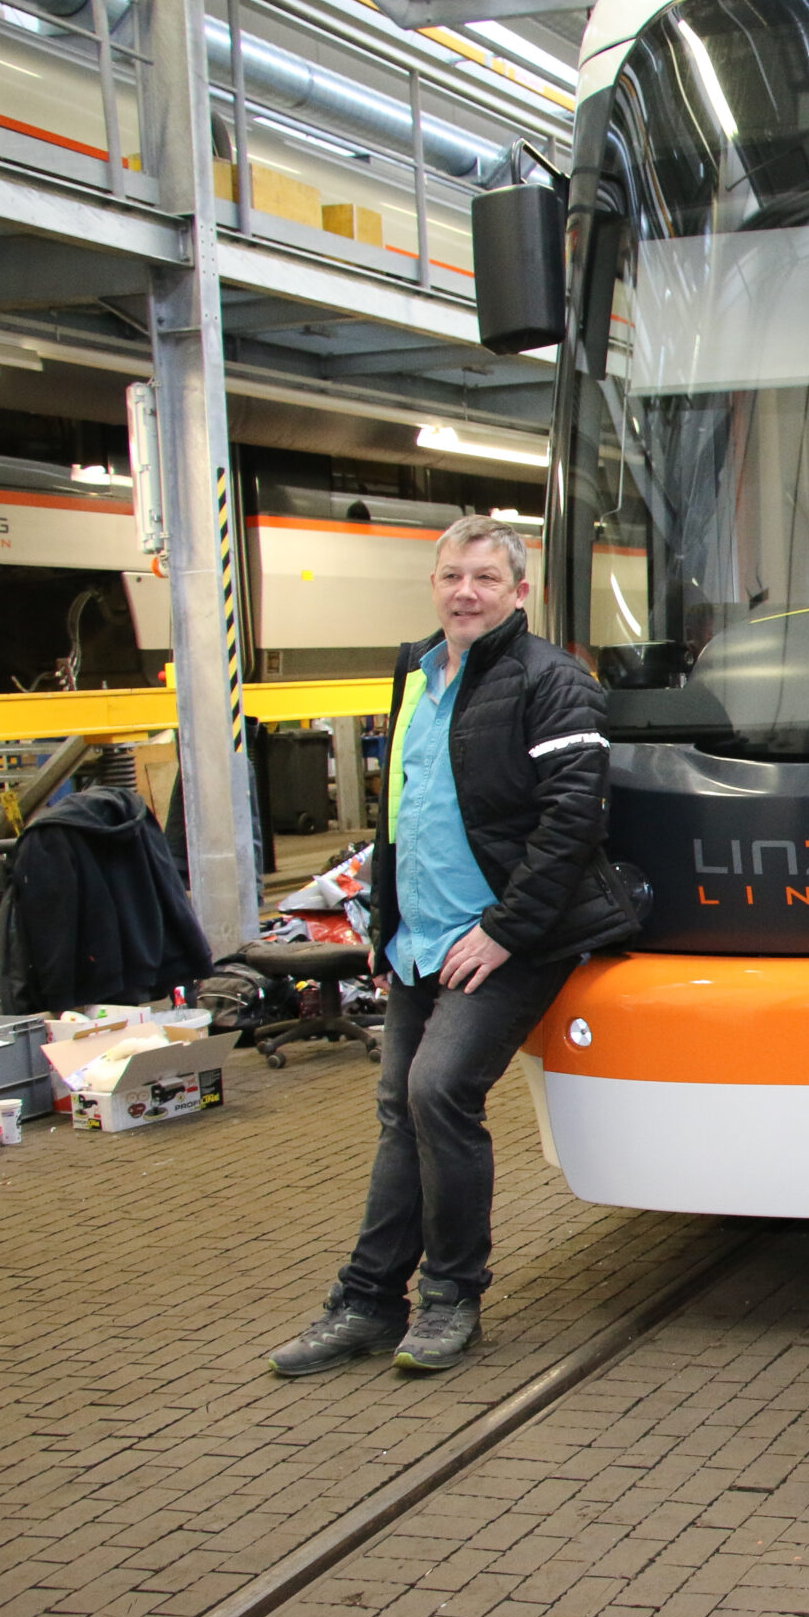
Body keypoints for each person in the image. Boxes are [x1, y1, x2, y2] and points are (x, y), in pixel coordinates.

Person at [268, 516, 638, 1377]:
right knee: (401, 1108)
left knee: (439, 1092)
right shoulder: (414, 671)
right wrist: (383, 918)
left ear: (518, 590)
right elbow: (401, 808)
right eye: (451, 576)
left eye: (483, 577)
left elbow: (573, 822)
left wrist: (504, 931)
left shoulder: (555, 682)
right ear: (434, 585)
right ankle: (364, 1302)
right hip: (420, 937)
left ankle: (450, 1296)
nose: (464, 591)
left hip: (515, 936)